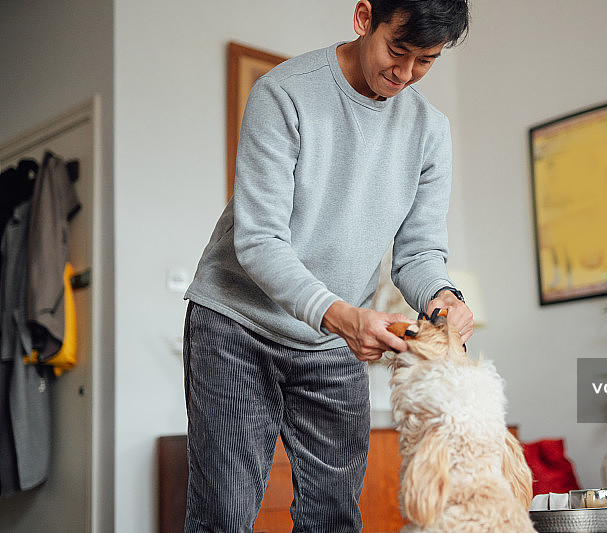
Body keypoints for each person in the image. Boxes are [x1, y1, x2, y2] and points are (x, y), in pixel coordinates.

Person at [182, 0, 472, 531]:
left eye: (426, 60)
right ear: (364, 18)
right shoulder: (285, 92)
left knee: (335, 517)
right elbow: (260, 240)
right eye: (397, 50)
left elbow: (420, 251)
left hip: (331, 344)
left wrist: (443, 296)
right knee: (224, 516)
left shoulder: (430, 130)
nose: (405, 74)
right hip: (238, 328)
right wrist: (339, 316)